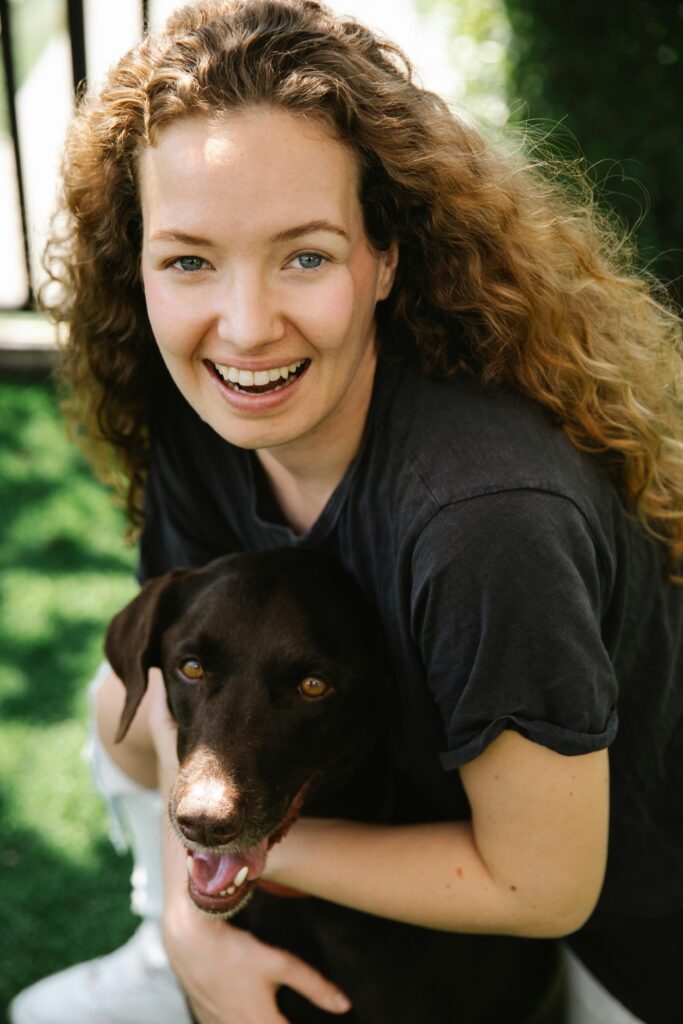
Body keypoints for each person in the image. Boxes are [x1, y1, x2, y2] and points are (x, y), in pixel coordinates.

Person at [9, 1, 683, 1022]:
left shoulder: (484, 519)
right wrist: (197, 931)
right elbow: (182, 707)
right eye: (189, 258)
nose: (243, 326)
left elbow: (541, 884)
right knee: (125, 705)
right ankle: (165, 936)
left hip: (600, 930)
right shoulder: (209, 409)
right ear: (135, 267)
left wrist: (241, 842)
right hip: (372, 808)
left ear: (384, 258)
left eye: (306, 255)